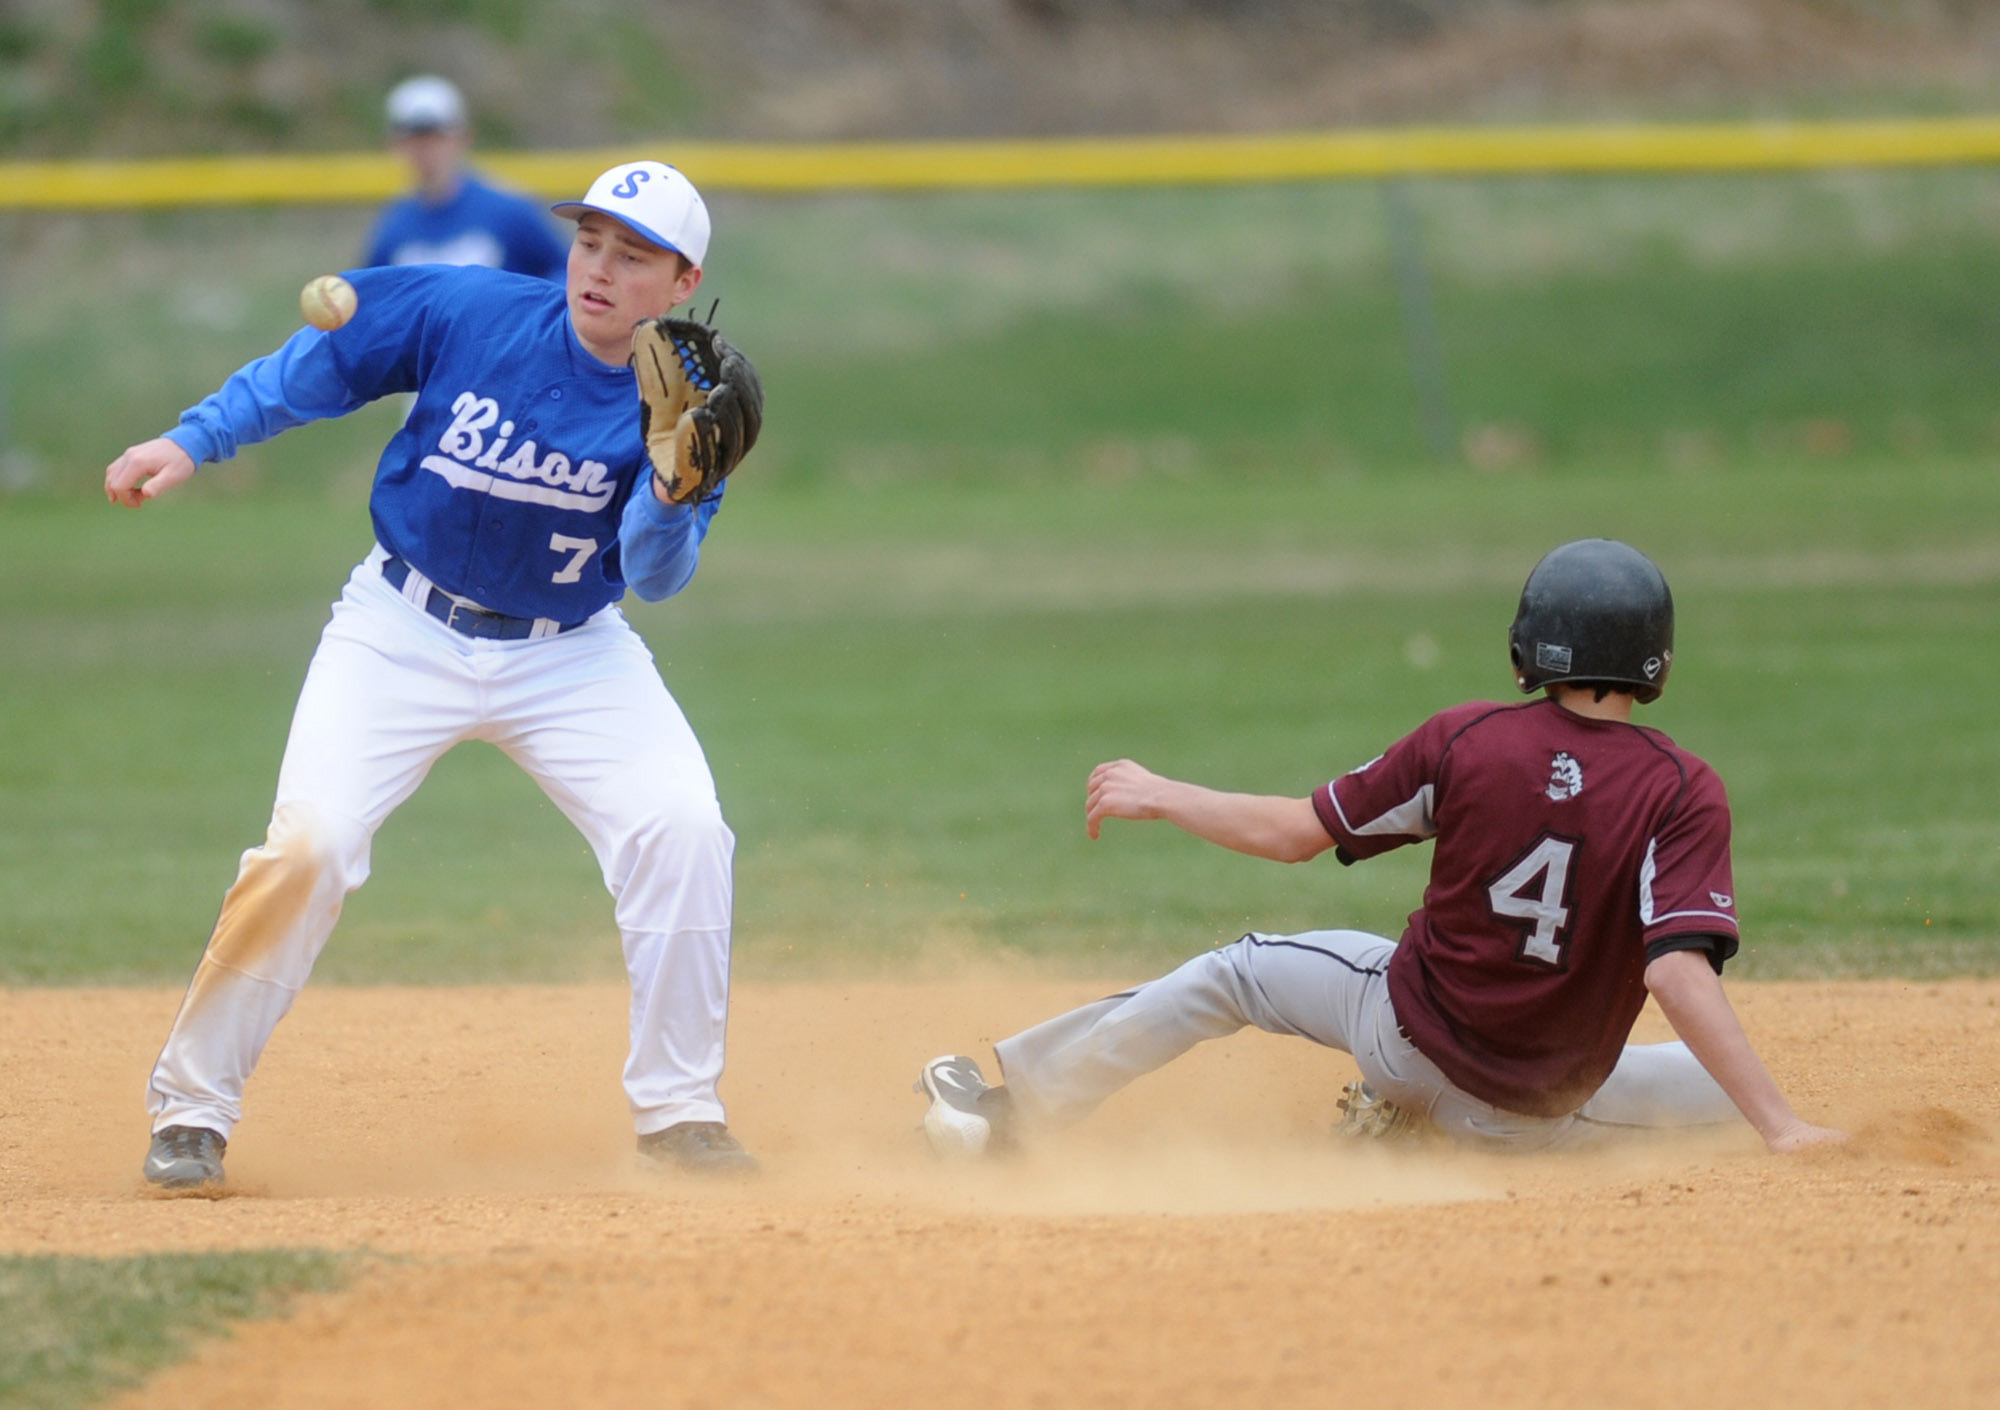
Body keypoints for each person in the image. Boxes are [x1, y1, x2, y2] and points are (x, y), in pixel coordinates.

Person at [108, 159, 762, 1191]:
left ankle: (679, 1116)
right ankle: (191, 1113)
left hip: (569, 653)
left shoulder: (689, 404)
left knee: (682, 827)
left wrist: (677, 494)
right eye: (589, 240)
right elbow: (313, 369)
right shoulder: (469, 308)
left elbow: (653, 578)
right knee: (309, 849)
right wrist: (195, 440)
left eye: (632, 255)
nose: (597, 267)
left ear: (680, 283)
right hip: (398, 629)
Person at [917, 540, 1846, 1159]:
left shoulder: (1467, 740)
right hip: (1534, 1114)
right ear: (1658, 661)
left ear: (1528, 649)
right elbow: (1679, 976)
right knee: (1728, 1093)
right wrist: (1784, 1129)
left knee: (1235, 973)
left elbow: (1294, 836)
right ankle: (1432, 1135)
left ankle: (1012, 1123)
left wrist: (1163, 794)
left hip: (1405, 1043)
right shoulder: (1682, 788)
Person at [361, 75, 567, 281]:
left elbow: (565, 273)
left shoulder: (508, 212)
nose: (425, 150)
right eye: (414, 140)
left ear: (464, 137)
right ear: (395, 145)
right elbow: (373, 296)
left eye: (435, 138)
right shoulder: (395, 226)